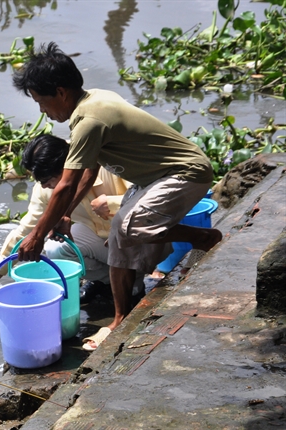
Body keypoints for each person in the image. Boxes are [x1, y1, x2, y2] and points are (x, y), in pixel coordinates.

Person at [11, 42, 222, 351]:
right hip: (154, 178)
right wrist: (66, 213)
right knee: (120, 234)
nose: (42, 110)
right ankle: (121, 317)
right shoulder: (94, 101)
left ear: (60, 91)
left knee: (127, 226)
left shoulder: (88, 121)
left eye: (41, 101)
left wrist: (38, 235)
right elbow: (89, 173)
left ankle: (203, 237)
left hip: (184, 172)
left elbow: (67, 184)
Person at [0, 134, 146, 310]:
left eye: (47, 180)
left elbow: (151, 196)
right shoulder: (45, 191)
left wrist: (115, 204)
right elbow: (24, 234)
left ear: (67, 169)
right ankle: (107, 283)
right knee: (55, 247)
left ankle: (134, 286)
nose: (44, 186)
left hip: (141, 241)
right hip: (104, 242)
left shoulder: (107, 162)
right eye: (40, 181)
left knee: (122, 239)